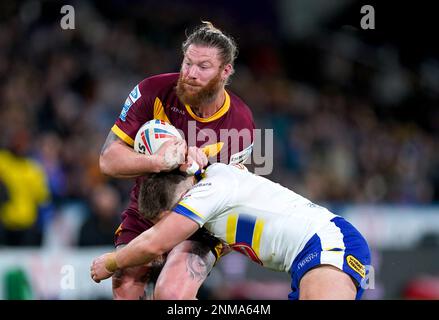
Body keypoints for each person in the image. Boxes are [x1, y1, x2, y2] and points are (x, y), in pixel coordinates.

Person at [99, 21, 255, 299]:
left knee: (171, 293)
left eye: (203, 67)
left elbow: (231, 194)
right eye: (187, 63)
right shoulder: (152, 91)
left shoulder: (241, 123)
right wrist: (158, 161)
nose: (191, 74)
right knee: (125, 287)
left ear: (225, 71)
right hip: (147, 210)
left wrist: (200, 169)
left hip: (200, 221)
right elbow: (108, 161)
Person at [91, 163, 371, 300]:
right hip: (309, 258)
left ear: (181, 200)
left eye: (170, 220)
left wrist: (110, 262)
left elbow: (154, 244)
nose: (175, 234)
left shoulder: (207, 193)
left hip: (327, 244)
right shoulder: (215, 182)